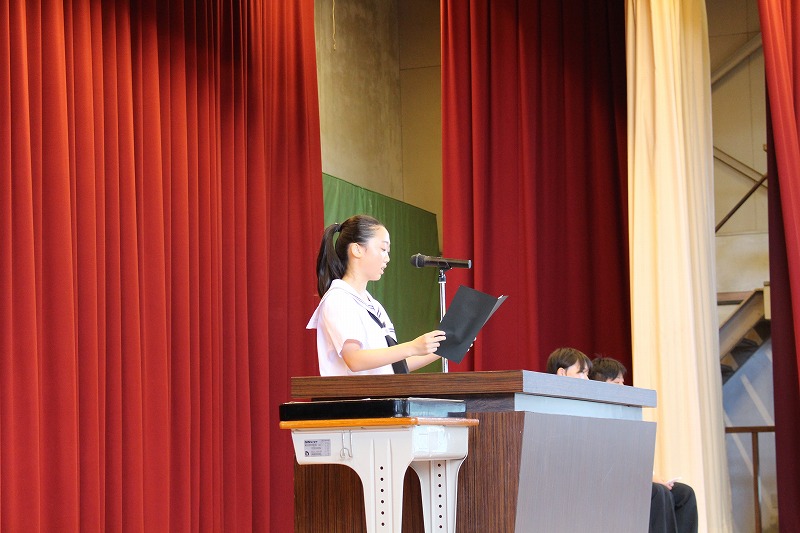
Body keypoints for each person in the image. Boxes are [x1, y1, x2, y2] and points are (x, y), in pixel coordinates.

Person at [307, 214, 445, 376]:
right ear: (357, 249)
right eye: (383, 249)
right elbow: (355, 360)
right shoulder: (338, 299)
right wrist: (412, 347)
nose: (387, 258)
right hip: (357, 393)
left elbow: (394, 366)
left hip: (384, 391)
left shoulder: (373, 305)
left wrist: (445, 349)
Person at [590, 357, 699, 533]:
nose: (623, 387)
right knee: (658, 492)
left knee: (684, 493)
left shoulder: (626, 414)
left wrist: (654, 475)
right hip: (611, 481)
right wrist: (646, 478)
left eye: (623, 382)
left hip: (635, 477)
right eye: (617, 382)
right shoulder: (593, 416)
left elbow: (636, 456)